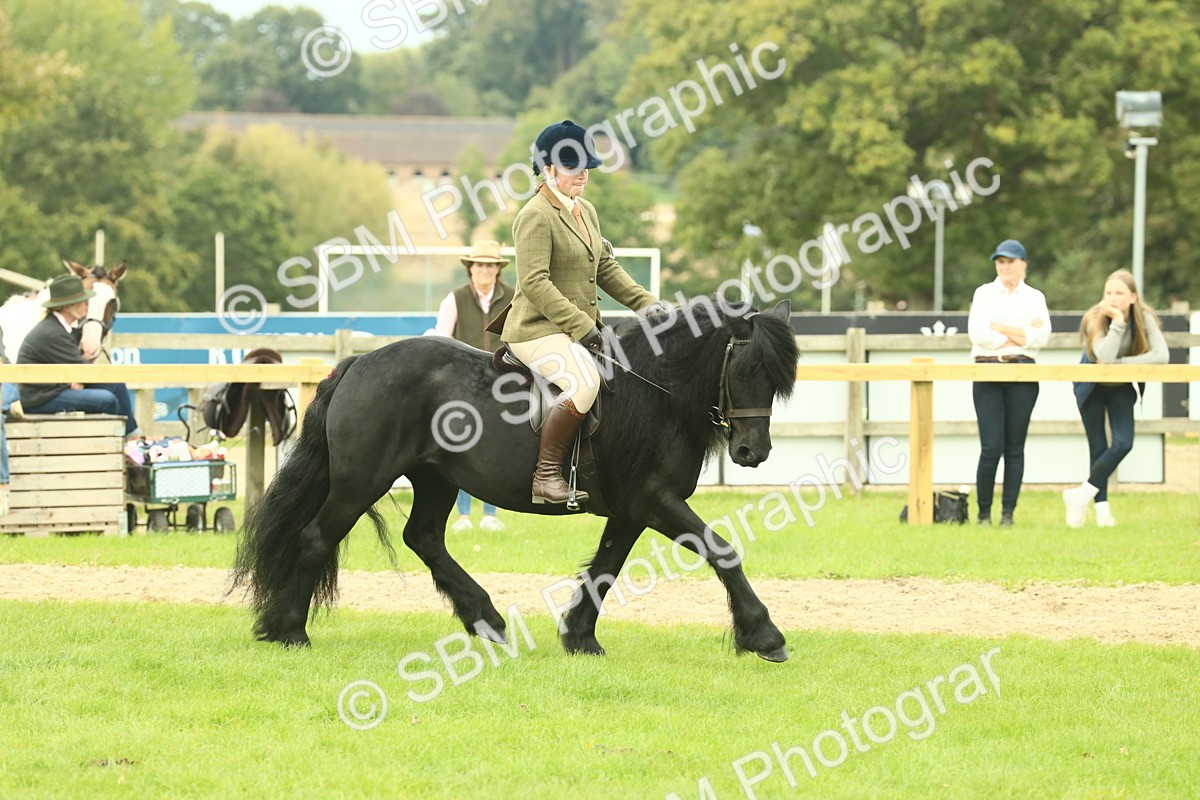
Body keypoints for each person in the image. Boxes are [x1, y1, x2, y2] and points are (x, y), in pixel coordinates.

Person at [501, 119, 664, 504]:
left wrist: (648, 305)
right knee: (585, 382)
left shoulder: (585, 210)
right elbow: (535, 283)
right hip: (536, 330)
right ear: (548, 170)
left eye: (586, 166)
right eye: (573, 167)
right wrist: (582, 327)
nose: (583, 174)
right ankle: (545, 476)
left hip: (571, 329)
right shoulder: (535, 215)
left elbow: (604, 267)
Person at [1063, 269, 1168, 527]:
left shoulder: (1144, 317)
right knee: (1098, 447)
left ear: (1133, 297)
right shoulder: (1095, 317)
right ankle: (1102, 512)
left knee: (1123, 443)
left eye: (1119, 293)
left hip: (1120, 385)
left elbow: (1161, 356)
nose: (1112, 297)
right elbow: (1104, 357)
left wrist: (1122, 365)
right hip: (1091, 384)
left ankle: (1080, 496)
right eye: (1108, 292)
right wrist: (1118, 321)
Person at [967, 239, 1051, 527]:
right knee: (991, 447)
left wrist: (1000, 328)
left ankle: (1008, 514)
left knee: (1015, 448)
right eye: (1000, 262)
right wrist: (1021, 335)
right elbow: (978, 334)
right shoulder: (984, 293)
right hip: (988, 371)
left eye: (1010, 261)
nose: (1005, 267)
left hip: (1022, 372)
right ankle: (983, 514)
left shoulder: (1035, 297)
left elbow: (1041, 337)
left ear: (1023, 264)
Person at [434, 240, 514, 531]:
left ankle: (490, 514)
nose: (485, 270)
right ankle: (464, 516)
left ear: (498, 269)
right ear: (470, 268)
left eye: (490, 265)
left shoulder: (514, 298)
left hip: (505, 381)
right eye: (479, 265)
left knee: (498, 446)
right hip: (464, 383)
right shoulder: (454, 299)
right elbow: (441, 341)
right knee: (462, 445)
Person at [17, 274, 139, 437]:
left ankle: (132, 436)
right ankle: (112, 443)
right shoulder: (53, 333)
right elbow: (83, 369)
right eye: (83, 301)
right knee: (106, 399)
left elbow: (78, 368)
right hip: (41, 399)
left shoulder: (62, 328)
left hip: (54, 389)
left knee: (115, 385)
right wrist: (77, 378)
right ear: (68, 306)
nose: (87, 303)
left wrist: (78, 379)